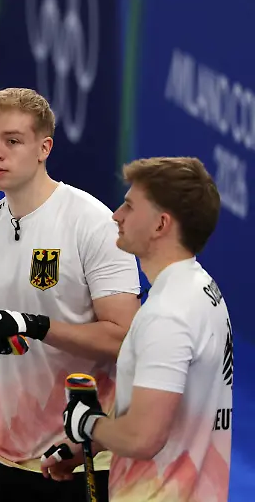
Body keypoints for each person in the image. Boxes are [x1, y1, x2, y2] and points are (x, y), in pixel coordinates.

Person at [0, 87, 141, 501]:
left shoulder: (93, 223)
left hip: (84, 457)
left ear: (43, 148)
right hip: (5, 455)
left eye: (12, 141)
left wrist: (31, 325)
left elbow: (125, 339)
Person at [43, 156, 232, 502]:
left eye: (130, 206)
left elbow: (143, 439)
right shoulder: (203, 289)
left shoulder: (167, 315)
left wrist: (86, 422)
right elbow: (165, 410)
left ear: (160, 225)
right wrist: (89, 443)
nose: (117, 215)